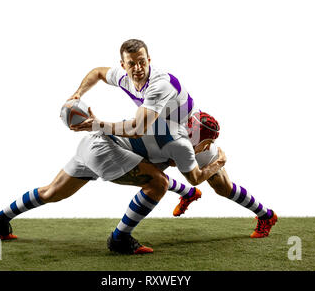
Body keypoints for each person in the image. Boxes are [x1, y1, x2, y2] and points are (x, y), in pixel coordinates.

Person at [68, 38, 278, 238]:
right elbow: (97, 73)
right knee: (148, 172)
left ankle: (266, 215)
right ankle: (188, 194)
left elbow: (138, 127)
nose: (138, 68)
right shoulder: (124, 78)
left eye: (142, 62)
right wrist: (78, 94)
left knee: (222, 186)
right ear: (123, 65)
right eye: (132, 63)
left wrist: (96, 125)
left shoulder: (160, 84)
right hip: (159, 132)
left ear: (149, 60)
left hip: (192, 136)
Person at [0, 111, 226, 255]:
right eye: (206, 144)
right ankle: (120, 239)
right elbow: (195, 178)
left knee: (52, 192)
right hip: (105, 150)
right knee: (158, 183)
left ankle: (0, 218)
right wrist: (218, 163)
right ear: (202, 139)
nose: (204, 149)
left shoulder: (170, 124)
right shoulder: (183, 145)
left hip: (96, 142)